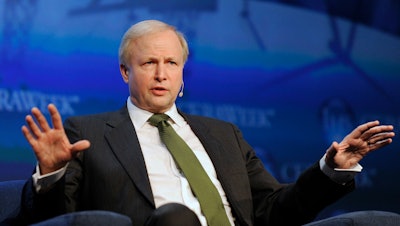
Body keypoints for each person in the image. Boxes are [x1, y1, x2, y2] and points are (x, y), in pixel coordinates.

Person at [17, 19, 395, 226]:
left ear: (182, 74)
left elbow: (275, 211)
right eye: (149, 63)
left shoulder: (222, 134)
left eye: (172, 64)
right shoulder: (88, 133)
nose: (161, 74)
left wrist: (332, 169)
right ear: (124, 72)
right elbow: (60, 222)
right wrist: (50, 174)